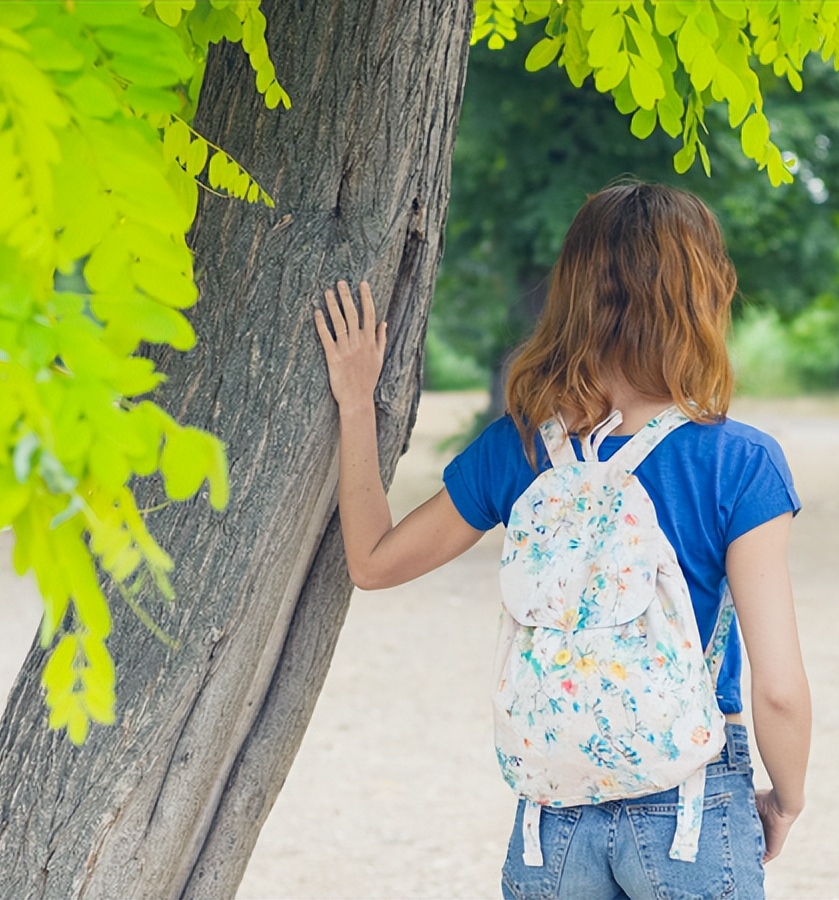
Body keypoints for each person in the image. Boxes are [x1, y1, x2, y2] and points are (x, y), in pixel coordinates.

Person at [313, 182, 810, 899]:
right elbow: (782, 692)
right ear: (700, 296)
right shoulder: (739, 462)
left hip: (551, 818)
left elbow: (372, 561)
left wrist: (355, 402)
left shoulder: (518, 449)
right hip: (691, 809)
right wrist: (785, 802)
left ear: (573, 293)